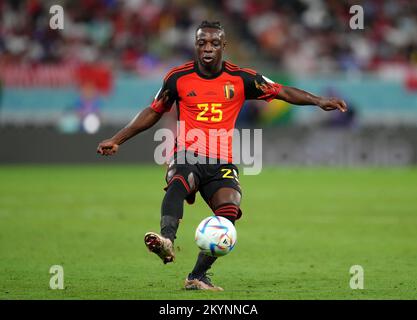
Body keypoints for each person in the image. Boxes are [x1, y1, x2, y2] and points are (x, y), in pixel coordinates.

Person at [97, 21, 347, 291]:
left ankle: (197, 276)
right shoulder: (177, 78)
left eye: (214, 43)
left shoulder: (241, 78)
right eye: (202, 42)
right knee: (180, 179)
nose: (207, 48)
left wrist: (318, 100)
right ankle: (166, 241)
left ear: (223, 46)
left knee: (229, 211)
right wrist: (117, 138)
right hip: (188, 153)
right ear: (195, 45)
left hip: (221, 161)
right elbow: (153, 111)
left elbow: (282, 91)